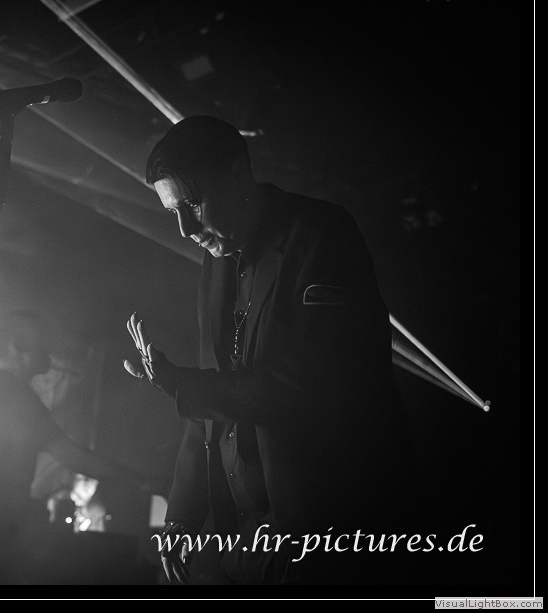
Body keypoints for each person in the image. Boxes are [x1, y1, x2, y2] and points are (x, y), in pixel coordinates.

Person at [123, 116, 419, 586]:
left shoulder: (321, 234)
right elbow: (211, 402)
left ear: (238, 172)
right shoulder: (216, 260)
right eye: (173, 211)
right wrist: (180, 518)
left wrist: (183, 384)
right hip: (249, 544)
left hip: (329, 539)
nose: (184, 228)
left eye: (193, 203)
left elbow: (309, 386)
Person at [0, 309, 155, 584]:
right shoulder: (14, 398)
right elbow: (74, 457)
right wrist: (142, 480)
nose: (49, 353)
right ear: (18, 348)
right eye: (41, 344)